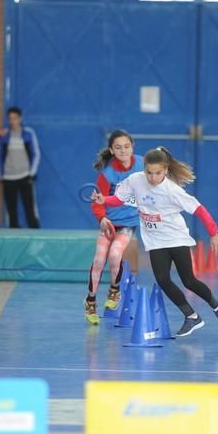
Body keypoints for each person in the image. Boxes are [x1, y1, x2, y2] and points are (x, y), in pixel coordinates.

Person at [92, 147, 218, 337]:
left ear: (165, 170)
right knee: (163, 280)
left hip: (176, 238)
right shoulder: (135, 181)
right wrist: (104, 199)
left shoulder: (172, 190)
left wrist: (214, 234)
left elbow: (200, 210)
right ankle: (192, 316)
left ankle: (217, 307)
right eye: (148, 172)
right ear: (144, 170)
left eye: (157, 173)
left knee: (189, 281)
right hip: (155, 241)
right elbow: (119, 199)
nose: (152, 177)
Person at [83, 130, 143, 325]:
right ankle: (90, 300)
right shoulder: (107, 174)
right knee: (99, 259)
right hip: (109, 223)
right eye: (118, 147)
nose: (123, 150)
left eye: (127, 146)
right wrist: (101, 218)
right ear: (111, 150)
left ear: (132, 146)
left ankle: (114, 290)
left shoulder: (143, 165)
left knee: (116, 255)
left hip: (128, 223)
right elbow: (98, 201)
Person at [0, 106, 40, 228]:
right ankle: (14, 234)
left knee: (30, 209)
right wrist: (0, 175)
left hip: (25, 176)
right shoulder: (4, 135)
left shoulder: (28, 133)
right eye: (10, 118)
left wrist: (32, 172)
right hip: (8, 178)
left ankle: (36, 234)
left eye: (15, 118)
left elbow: (36, 153)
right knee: (11, 210)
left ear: (20, 118)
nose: (13, 121)